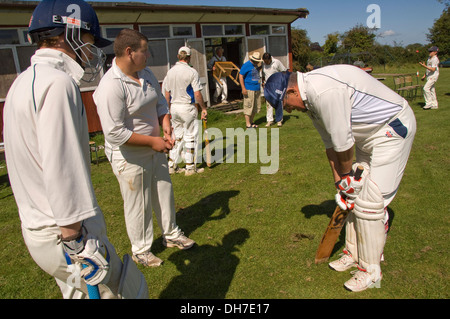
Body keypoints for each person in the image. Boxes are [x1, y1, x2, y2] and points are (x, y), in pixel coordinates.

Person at [3, 0, 148, 299]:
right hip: (67, 233)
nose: (92, 50)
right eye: (90, 40)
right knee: (130, 292)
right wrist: (77, 242)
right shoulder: (57, 83)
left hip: (39, 228)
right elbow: (61, 163)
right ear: (71, 34)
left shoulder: (21, 82)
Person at [264, 65, 416, 292]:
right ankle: (353, 254)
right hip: (366, 137)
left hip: (391, 130)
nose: (290, 111)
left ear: (292, 92)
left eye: (286, 105)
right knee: (353, 198)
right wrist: (341, 183)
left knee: (370, 202)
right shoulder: (311, 103)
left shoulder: (323, 92)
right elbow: (331, 146)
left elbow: (344, 146)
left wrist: (348, 178)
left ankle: (371, 271)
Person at [93, 30, 195, 268]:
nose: (148, 55)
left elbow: (160, 101)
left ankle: (171, 234)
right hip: (129, 155)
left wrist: (165, 124)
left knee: (163, 191)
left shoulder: (145, 73)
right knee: (138, 203)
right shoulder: (111, 85)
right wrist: (152, 141)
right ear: (129, 53)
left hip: (155, 147)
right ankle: (141, 250)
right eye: (144, 50)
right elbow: (114, 133)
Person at [163, 46, 208, 176]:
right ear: (189, 57)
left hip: (174, 107)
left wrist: (167, 111)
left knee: (176, 136)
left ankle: (171, 165)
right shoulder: (191, 72)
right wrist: (203, 108)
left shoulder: (170, 72)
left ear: (178, 56)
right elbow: (197, 94)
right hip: (187, 107)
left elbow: (167, 94)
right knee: (190, 136)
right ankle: (189, 168)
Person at [262, 53, 287, 127]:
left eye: (267, 61)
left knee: (278, 102)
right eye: (265, 62)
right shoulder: (263, 64)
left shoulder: (277, 62)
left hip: (277, 85)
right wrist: (263, 82)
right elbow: (263, 75)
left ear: (270, 59)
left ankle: (279, 120)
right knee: (269, 103)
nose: (266, 63)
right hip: (268, 86)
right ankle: (270, 120)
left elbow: (284, 71)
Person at [239, 51, 263, 128]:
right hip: (249, 88)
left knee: (255, 107)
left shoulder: (255, 65)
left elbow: (254, 73)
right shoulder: (246, 65)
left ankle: (252, 122)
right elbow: (241, 76)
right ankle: (248, 124)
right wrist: (243, 88)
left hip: (257, 88)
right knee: (249, 106)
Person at [419, 46, 439, 110]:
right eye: (429, 51)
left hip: (433, 76)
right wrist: (424, 75)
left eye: (431, 51)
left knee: (426, 88)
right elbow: (428, 68)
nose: (429, 52)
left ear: (435, 52)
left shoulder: (435, 59)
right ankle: (435, 104)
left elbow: (433, 69)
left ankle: (428, 103)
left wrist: (424, 66)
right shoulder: (429, 58)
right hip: (429, 76)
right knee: (432, 90)